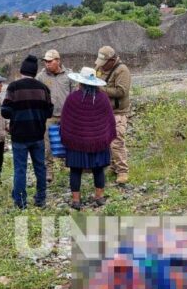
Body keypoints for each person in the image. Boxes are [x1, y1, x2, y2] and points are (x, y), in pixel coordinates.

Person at [1, 55, 53, 209]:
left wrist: (17, 114)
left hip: (19, 136)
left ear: (21, 71)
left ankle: (20, 202)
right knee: (40, 167)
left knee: (20, 169)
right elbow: (49, 112)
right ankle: (41, 199)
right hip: (37, 134)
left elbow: (5, 111)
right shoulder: (43, 88)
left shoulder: (13, 88)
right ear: (35, 72)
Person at [60, 68, 116, 210]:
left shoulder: (72, 98)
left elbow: (65, 121)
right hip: (98, 142)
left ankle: (76, 200)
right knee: (98, 170)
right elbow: (109, 121)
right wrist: (105, 137)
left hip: (76, 142)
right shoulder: (103, 98)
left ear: (80, 82)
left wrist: (67, 138)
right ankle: (99, 197)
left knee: (75, 170)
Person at [94, 46, 132, 185]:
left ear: (112, 60)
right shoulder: (99, 68)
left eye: (104, 63)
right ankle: (113, 166)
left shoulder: (122, 70)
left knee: (116, 142)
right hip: (103, 111)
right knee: (106, 141)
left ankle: (122, 171)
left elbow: (122, 91)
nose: (102, 66)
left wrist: (100, 89)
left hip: (117, 112)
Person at [36, 49, 74, 182]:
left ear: (58, 61)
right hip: (49, 116)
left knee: (69, 141)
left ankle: (70, 167)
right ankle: (49, 170)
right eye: (45, 61)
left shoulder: (69, 75)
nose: (47, 64)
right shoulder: (41, 77)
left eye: (50, 61)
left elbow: (74, 94)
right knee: (47, 143)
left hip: (66, 116)